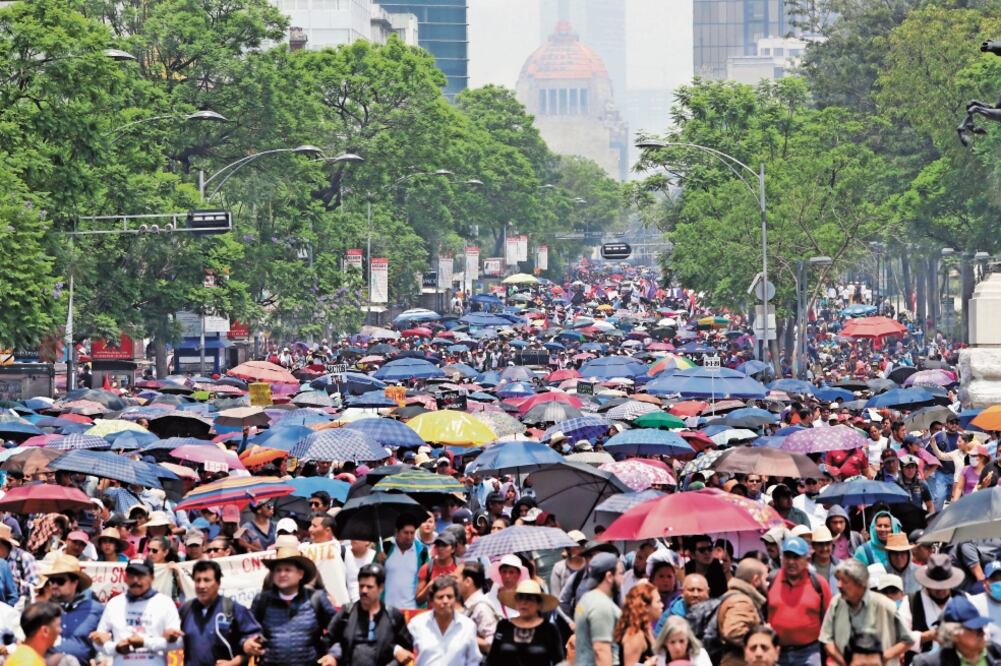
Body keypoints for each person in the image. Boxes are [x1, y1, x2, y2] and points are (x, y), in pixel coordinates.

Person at [249, 541, 337, 666]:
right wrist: (248, 642)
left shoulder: (316, 599)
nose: (282, 574)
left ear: (300, 574)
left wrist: (333, 654)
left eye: (287, 570)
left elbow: (340, 631)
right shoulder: (262, 600)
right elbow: (248, 631)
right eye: (278, 570)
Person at [819, 559, 912, 666]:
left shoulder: (885, 605)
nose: (838, 585)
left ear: (859, 583)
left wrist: (882, 658)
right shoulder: (836, 603)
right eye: (838, 580)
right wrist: (846, 663)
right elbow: (826, 639)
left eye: (844, 581)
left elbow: (907, 640)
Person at [90, 557, 181, 666]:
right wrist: (116, 648)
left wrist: (145, 643)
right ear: (125, 578)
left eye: (141, 575)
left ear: (152, 578)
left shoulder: (165, 603)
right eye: (131, 576)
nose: (135, 580)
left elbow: (178, 643)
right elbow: (98, 643)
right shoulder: (114, 604)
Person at [170, 559, 263, 666]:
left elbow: (252, 640)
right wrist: (170, 636)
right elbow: (172, 641)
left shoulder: (233, 609)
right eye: (197, 580)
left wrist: (235, 662)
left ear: (218, 583)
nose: (201, 585)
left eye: (207, 580)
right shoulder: (185, 610)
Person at [326, 563, 414, 666]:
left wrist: (396, 652)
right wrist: (333, 656)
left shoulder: (393, 616)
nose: (364, 591)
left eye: (369, 587)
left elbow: (407, 650)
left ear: (380, 588)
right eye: (361, 586)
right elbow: (328, 640)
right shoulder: (346, 613)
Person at [767, 537, 832, 666]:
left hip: (809, 652)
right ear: (781, 558)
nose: (791, 562)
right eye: (787, 556)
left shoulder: (819, 583)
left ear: (807, 559)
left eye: (796, 557)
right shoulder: (771, 580)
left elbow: (830, 619)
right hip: (776, 652)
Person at [40, 554, 103, 665]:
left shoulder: (95, 609)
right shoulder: (42, 610)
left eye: (60, 581)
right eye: (51, 581)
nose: (54, 585)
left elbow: (106, 642)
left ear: (75, 582)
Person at [487, 579, 564, 666]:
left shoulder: (549, 629)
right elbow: (492, 660)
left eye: (529, 598)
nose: (524, 602)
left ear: (538, 603)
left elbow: (559, 662)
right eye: (520, 598)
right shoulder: (504, 626)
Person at [406, 575, 481, 666]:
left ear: (455, 599)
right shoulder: (417, 624)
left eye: (449, 597)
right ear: (431, 601)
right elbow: (402, 651)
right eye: (440, 597)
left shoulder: (468, 626)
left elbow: (473, 660)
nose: (445, 601)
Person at [903, 553, 968, 656]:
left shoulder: (963, 599)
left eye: (944, 585)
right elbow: (901, 638)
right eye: (936, 586)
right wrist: (928, 636)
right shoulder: (912, 601)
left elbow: (980, 632)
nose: (940, 590)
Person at [913, 596, 999, 666]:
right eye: (976, 628)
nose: (983, 633)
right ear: (954, 635)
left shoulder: (997, 652)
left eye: (981, 626)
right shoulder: (929, 663)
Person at [717, 558, 770, 666]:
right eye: (765, 579)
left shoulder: (737, 596)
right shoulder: (741, 601)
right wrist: (763, 635)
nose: (767, 583)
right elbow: (734, 632)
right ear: (756, 580)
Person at [573, 553, 623, 666]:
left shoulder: (586, 599)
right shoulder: (602, 605)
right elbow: (601, 650)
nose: (622, 578)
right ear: (609, 576)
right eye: (620, 573)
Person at [382, 515, 429, 611]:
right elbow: (373, 576)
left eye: (412, 533)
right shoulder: (385, 548)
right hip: (387, 609)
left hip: (412, 610)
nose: (409, 537)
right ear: (397, 532)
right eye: (406, 533)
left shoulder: (422, 552)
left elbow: (426, 578)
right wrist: (378, 562)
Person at [613, 582, 662, 666]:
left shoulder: (647, 629)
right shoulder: (635, 635)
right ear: (646, 607)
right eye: (658, 602)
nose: (662, 605)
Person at [458, 561, 498, 655]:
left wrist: (460, 635)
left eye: (456, 577)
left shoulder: (481, 607)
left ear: (468, 581)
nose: (453, 581)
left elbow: (490, 644)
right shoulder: (469, 604)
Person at [6, 601, 62, 666]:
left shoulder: (26, 656)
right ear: (45, 631)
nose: (60, 630)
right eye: (58, 626)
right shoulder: (27, 662)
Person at [416, 532, 459, 607]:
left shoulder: (460, 567)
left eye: (444, 545)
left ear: (453, 549)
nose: (440, 548)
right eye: (438, 545)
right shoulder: (427, 568)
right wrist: (430, 586)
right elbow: (418, 600)